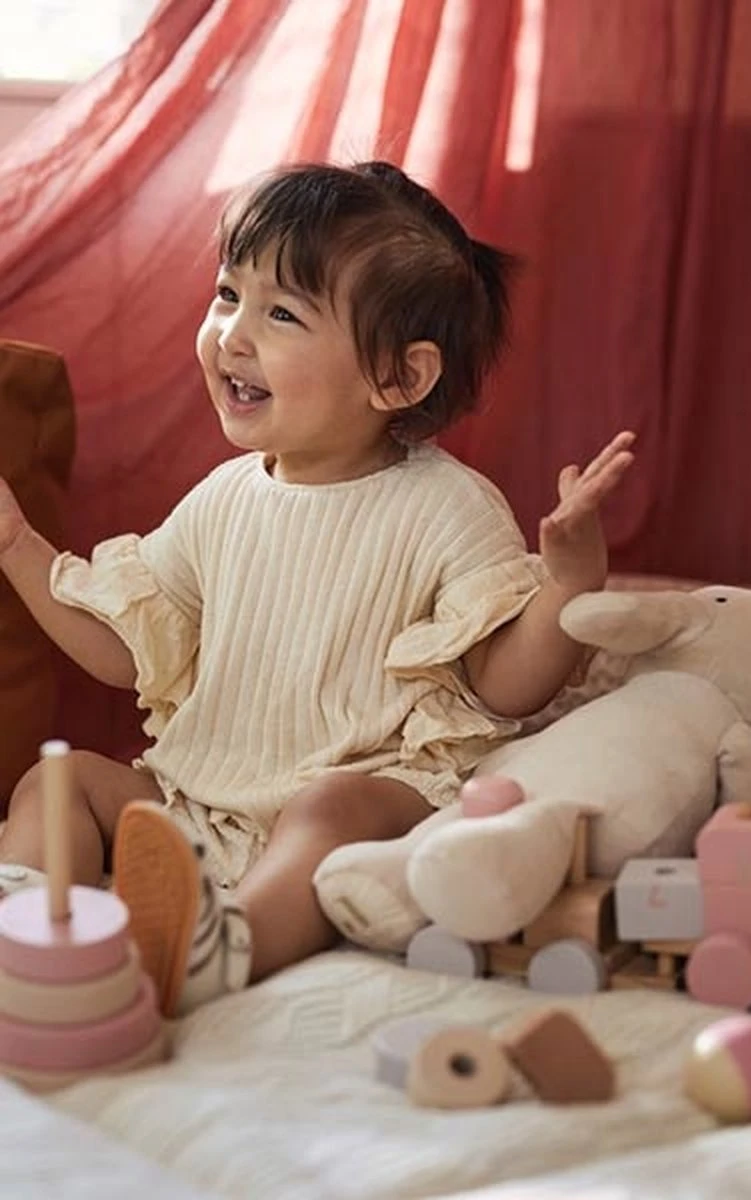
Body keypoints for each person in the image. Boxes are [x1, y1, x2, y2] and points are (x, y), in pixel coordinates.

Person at [0, 160, 634, 1017]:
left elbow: (504, 684)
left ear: (399, 378)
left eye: (282, 314)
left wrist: (567, 583)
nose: (232, 334)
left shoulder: (446, 507)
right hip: (206, 801)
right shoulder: (223, 497)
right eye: (229, 294)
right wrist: (17, 544)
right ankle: (32, 934)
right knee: (61, 781)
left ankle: (219, 952)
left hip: (360, 795)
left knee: (328, 809)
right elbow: (123, 650)